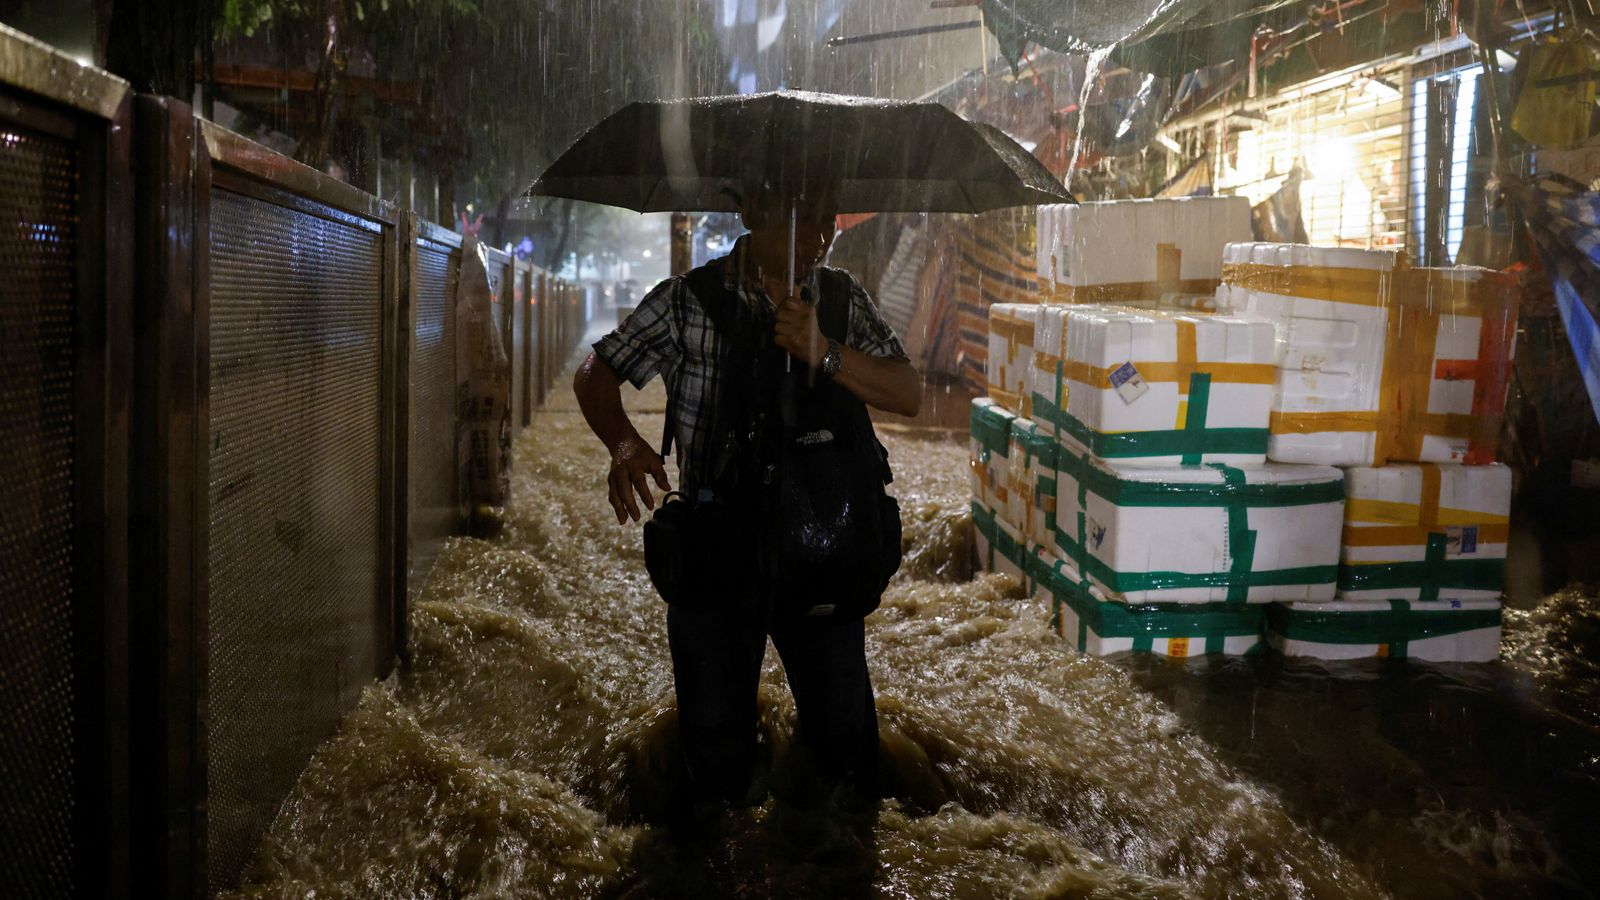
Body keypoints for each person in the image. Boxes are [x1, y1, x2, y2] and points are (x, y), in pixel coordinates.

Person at [572, 184, 921, 820]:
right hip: (716, 549)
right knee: (715, 765)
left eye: (825, 217)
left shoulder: (840, 299)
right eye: (801, 212)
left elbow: (908, 391)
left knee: (846, 760)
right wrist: (624, 445)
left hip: (824, 550)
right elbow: (597, 371)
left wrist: (825, 352)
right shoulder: (688, 300)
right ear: (754, 213)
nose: (819, 234)